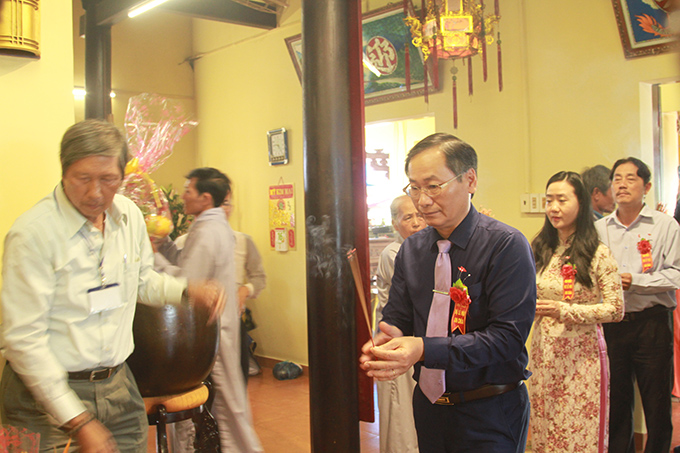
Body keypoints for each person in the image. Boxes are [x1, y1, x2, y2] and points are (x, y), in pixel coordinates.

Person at [0, 119, 225, 453]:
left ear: (123, 176)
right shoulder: (33, 235)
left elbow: (141, 281)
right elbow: (22, 340)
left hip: (117, 386)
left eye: (108, 180)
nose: (95, 192)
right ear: (64, 172)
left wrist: (187, 290)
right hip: (42, 400)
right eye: (83, 178)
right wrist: (77, 420)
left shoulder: (129, 217)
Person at [359, 133, 536, 452]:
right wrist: (390, 339)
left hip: (490, 408)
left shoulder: (506, 246)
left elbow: (507, 338)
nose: (422, 200)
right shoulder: (411, 250)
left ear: (470, 180)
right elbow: (399, 317)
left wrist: (423, 349)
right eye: (414, 187)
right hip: (429, 406)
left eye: (433, 186)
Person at [156, 167, 263, 453]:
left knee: (226, 404)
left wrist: (151, 256)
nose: (182, 196)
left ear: (205, 198)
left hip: (209, 328)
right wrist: (164, 243)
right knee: (228, 402)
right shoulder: (209, 226)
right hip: (217, 325)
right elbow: (185, 261)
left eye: (188, 191)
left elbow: (187, 281)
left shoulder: (208, 231)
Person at [529, 171, 623, 452]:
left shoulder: (597, 252)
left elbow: (616, 309)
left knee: (577, 435)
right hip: (543, 354)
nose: (554, 208)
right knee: (545, 427)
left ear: (580, 203)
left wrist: (565, 310)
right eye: (549, 200)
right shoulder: (541, 248)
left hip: (581, 359)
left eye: (562, 200)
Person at [595, 157, 680, 453]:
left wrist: (636, 282)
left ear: (647, 186)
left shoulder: (666, 226)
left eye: (630, 178)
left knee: (656, 403)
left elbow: (676, 274)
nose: (621, 184)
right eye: (617, 178)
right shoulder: (599, 229)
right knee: (616, 403)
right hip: (612, 325)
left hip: (652, 323)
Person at [374, 195, 425, 453]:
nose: (417, 223)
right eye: (408, 217)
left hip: (416, 343)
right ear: (395, 223)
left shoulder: (425, 248)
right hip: (395, 339)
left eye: (420, 215)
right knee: (400, 412)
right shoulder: (394, 253)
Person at [221, 191, 267, 380]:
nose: (222, 209)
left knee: (236, 381)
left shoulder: (243, 241)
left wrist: (244, 290)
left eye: (226, 203)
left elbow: (259, 278)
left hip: (232, 323)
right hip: (198, 329)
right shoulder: (184, 242)